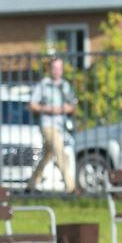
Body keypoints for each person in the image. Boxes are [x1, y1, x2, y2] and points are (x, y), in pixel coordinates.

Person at [27, 57, 77, 194]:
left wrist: (63, 109)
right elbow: (32, 105)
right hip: (47, 124)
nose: (57, 71)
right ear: (50, 69)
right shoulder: (43, 84)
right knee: (59, 150)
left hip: (60, 126)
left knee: (48, 154)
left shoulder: (65, 85)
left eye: (59, 68)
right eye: (54, 68)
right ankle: (71, 187)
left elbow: (71, 106)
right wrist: (49, 109)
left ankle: (31, 184)